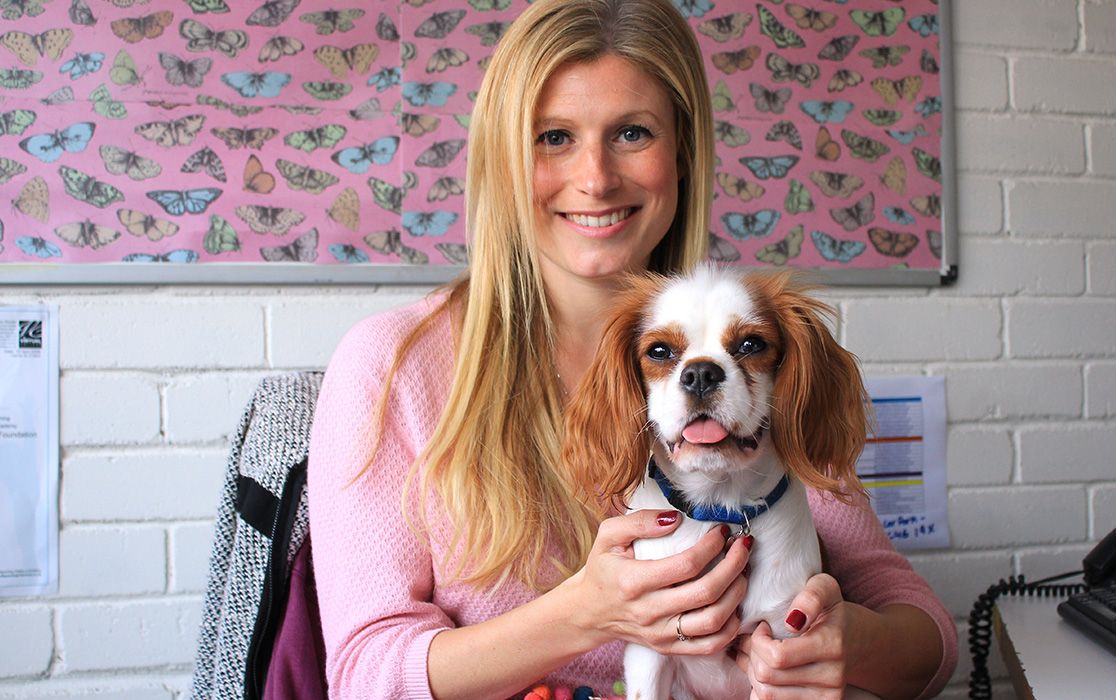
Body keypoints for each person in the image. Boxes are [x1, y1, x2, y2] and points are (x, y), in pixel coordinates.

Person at [308, 0, 958, 698]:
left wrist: (852, 646)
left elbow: (928, 637)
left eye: (632, 133)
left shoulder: (754, 361)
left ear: (681, 152)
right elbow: (363, 678)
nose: (595, 178)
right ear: (501, 158)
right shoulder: (390, 367)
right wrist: (585, 616)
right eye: (553, 136)